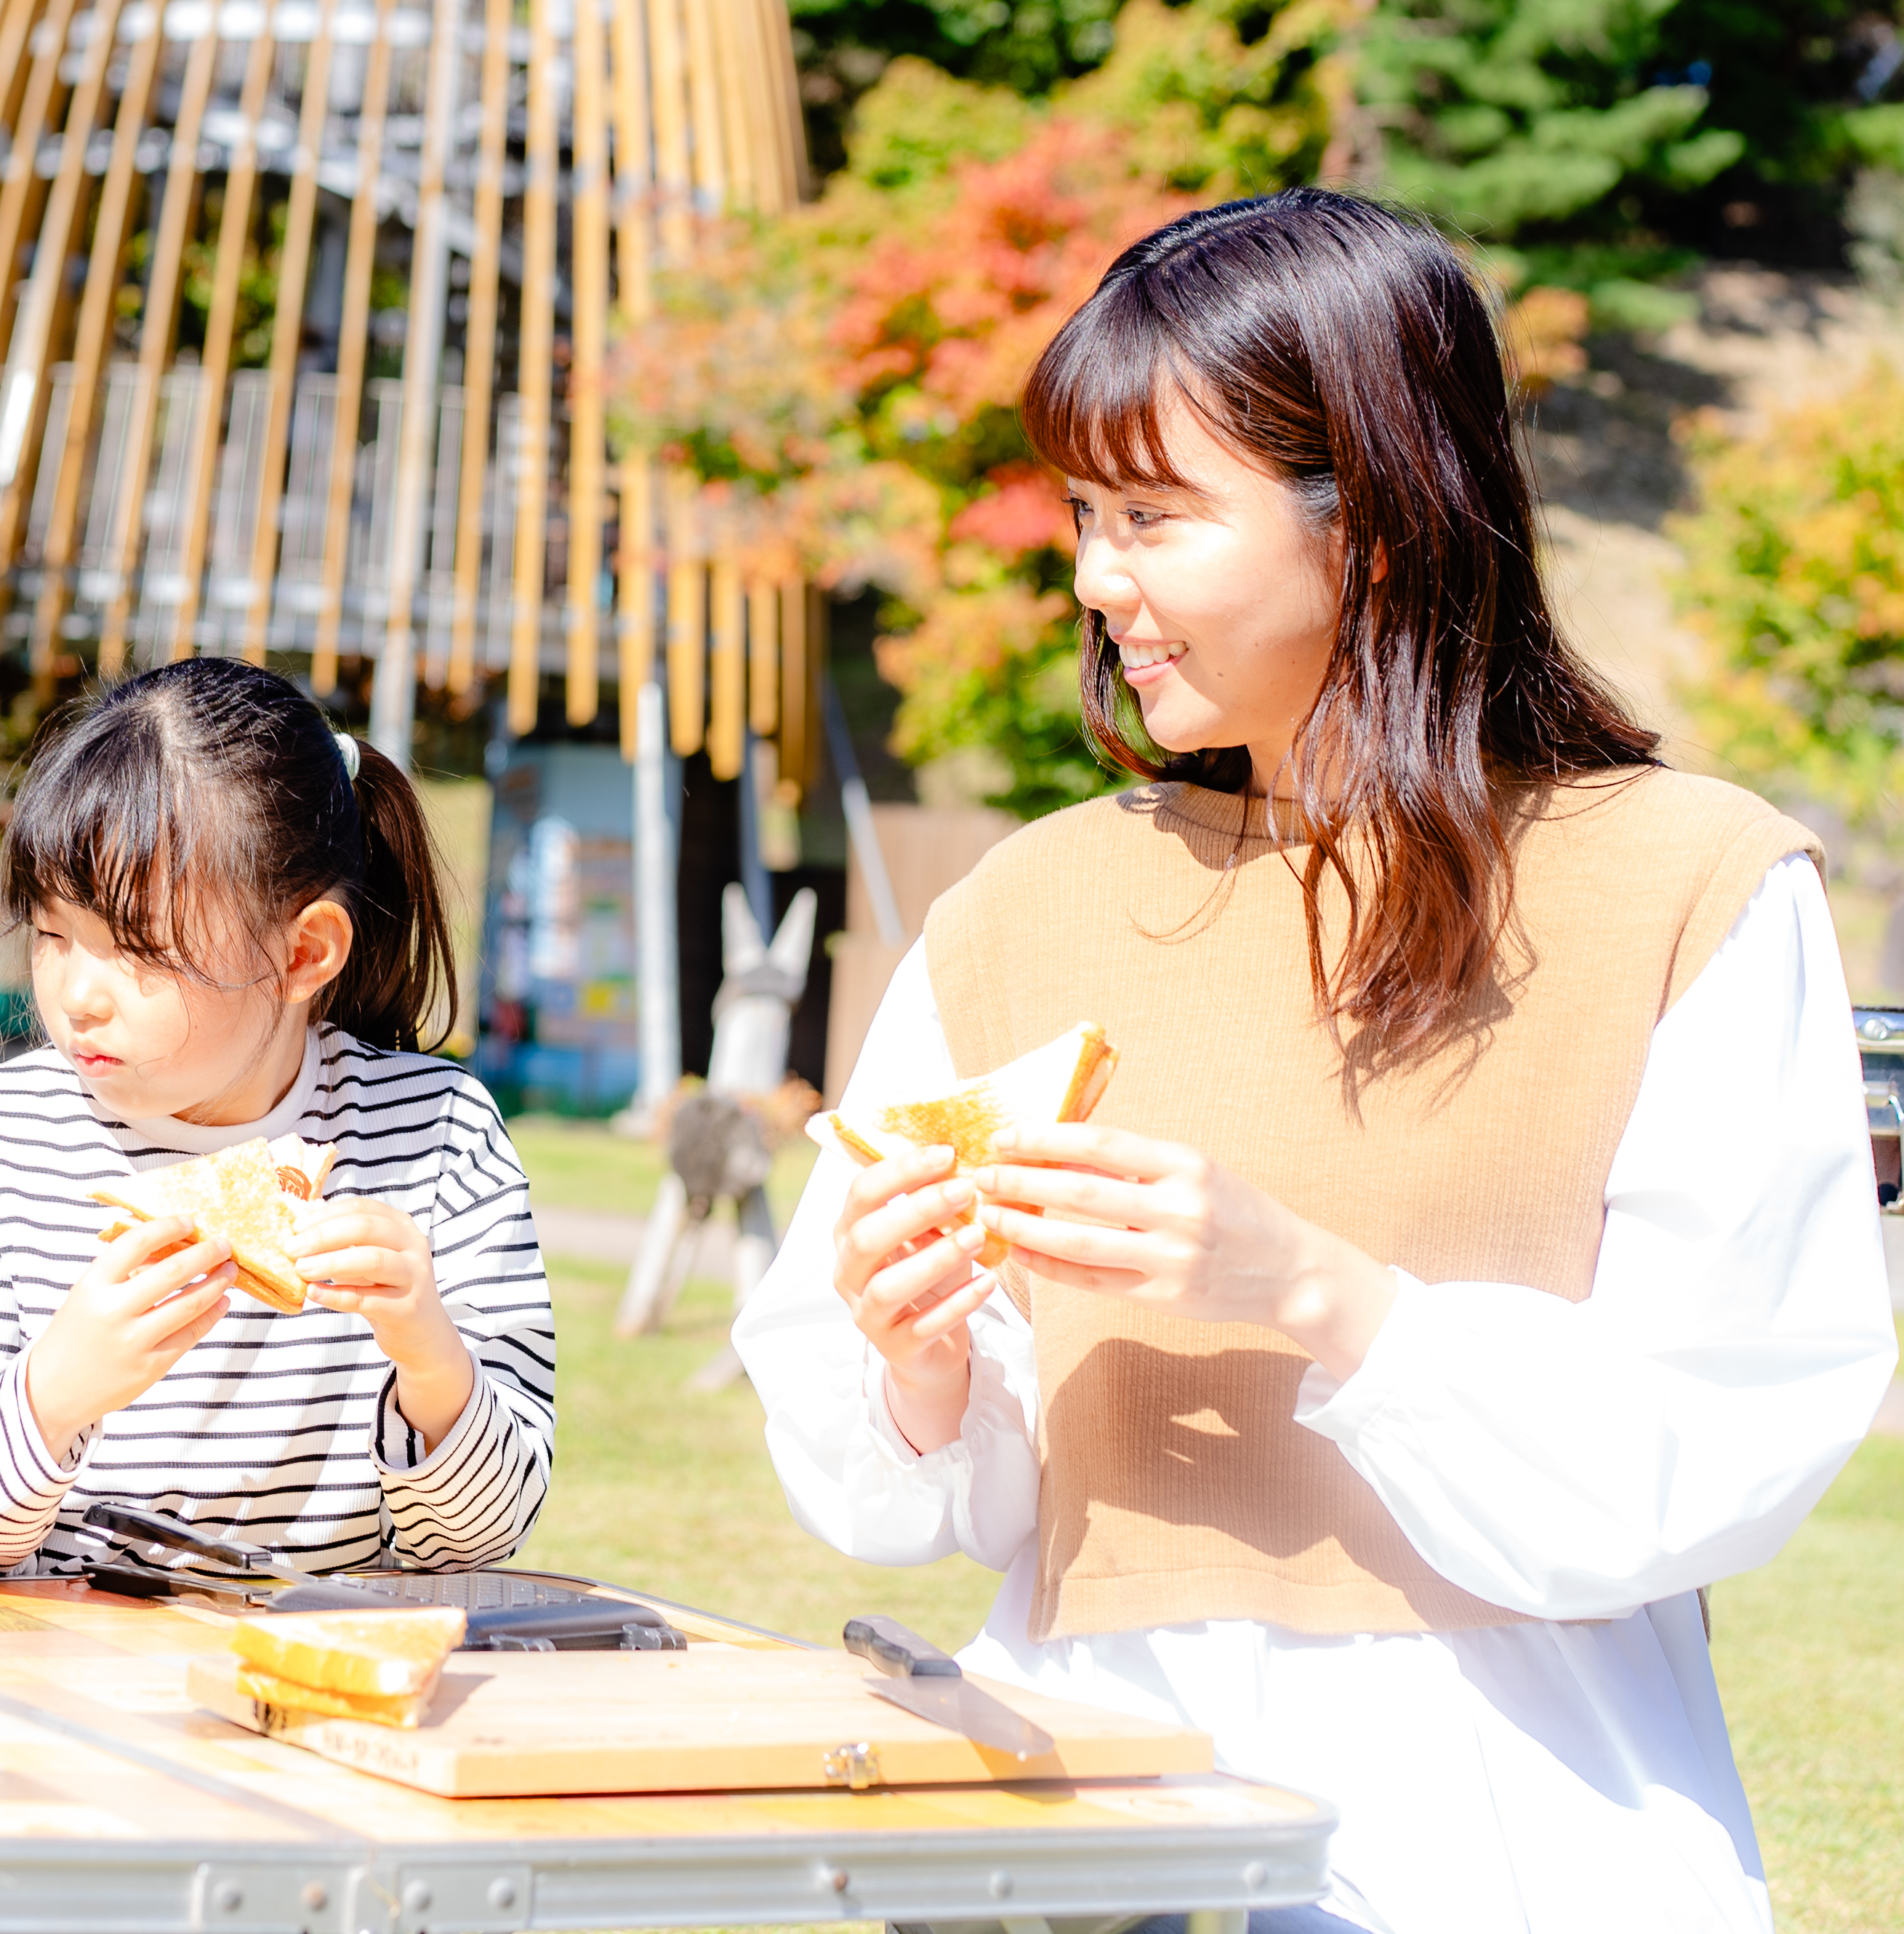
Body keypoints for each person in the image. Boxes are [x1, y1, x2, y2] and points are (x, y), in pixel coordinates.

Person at [734, 189, 1898, 1933]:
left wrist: (1312, 1292)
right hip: (1075, 1832)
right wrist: (907, 1359)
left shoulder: (1686, 887)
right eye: (1080, 514)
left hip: (1503, 1844)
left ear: (1365, 520)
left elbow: (1717, 1432)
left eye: (1150, 517)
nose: (1089, 577)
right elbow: (914, 1483)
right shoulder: (1021, 906)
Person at [0, 658, 553, 1575]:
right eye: (54, 934)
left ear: (306, 951)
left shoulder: (437, 1136)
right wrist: (52, 1393)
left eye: (138, 949)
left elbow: (481, 1541)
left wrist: (429, 1355)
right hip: (47, 1677)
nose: (77, 995)